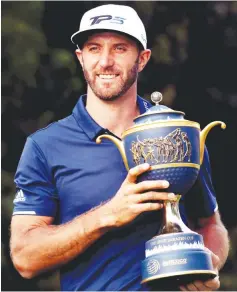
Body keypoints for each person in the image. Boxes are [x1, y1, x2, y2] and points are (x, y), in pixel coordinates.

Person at [10, 4, 229, 291]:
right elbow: (25, 258)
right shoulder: (45, 147)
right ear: (81, 57)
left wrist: (209, 265)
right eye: (93, 48)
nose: (105, 62)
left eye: (120, 48)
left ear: (142, 58)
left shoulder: (180, 135)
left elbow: (211, 225)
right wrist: (107, 216)